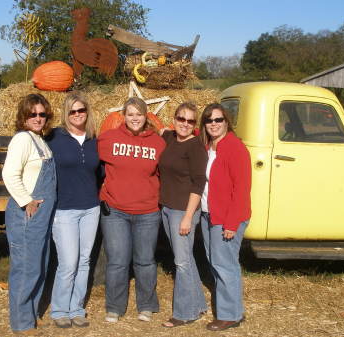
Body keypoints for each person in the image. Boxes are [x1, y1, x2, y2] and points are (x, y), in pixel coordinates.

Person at [98, 97, 166, 323]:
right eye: (130, 114)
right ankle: (115, 307)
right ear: (124, 116)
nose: (135, 118)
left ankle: (146, 305)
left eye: (139, 114)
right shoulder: (108, 139)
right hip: (116, 211)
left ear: (146, 116)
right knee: (117, 261)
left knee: (145, 260)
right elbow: (89, 165)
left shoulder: (158, 143)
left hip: (147, 211)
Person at [2, 94, 56, 336]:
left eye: (41, 114)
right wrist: (27, 201)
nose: (37, 118)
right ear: (23, 116)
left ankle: (31, 313)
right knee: (25, 268)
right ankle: (21, 323)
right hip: (27, 214)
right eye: (32, 114)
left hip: (42, 215)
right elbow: (9, 174)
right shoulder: (23, 139)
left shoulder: (39, 140)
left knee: (39, 264)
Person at [46, 92, 100, 329]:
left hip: (91, 208)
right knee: (68, 262)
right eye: (73, 111)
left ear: (87, 112)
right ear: (65, 114)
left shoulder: (93, 140)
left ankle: (77, 308)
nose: (77, 115)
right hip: (64, 209)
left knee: (85, 260)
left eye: (81, 110)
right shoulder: (54, 138)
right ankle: (59, 309)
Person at [199, 103, 251, 331]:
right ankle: (230, 309)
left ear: (226, 122)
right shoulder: (209, 147)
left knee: (225, 265)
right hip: (208, 214)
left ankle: (230, 315)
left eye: (218, 120)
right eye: (209, 120)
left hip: (227, 217)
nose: (214, 124)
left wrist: (231, 223)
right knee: (216, 263)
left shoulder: (235, 148)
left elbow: (241, 189)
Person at [158, 102, 208, 327]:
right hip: (167, 208)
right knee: (186, 258)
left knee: (181, 262)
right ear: (174, 119)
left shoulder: (195, 147)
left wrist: (188, 216)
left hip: (183, 211)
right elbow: (159, 129)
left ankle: (184, 313)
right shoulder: (170, 138)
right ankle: (198, 305)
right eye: (181, 119)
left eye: (190, 121)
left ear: (195, 124)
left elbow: (199, 184)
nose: (185, 124)